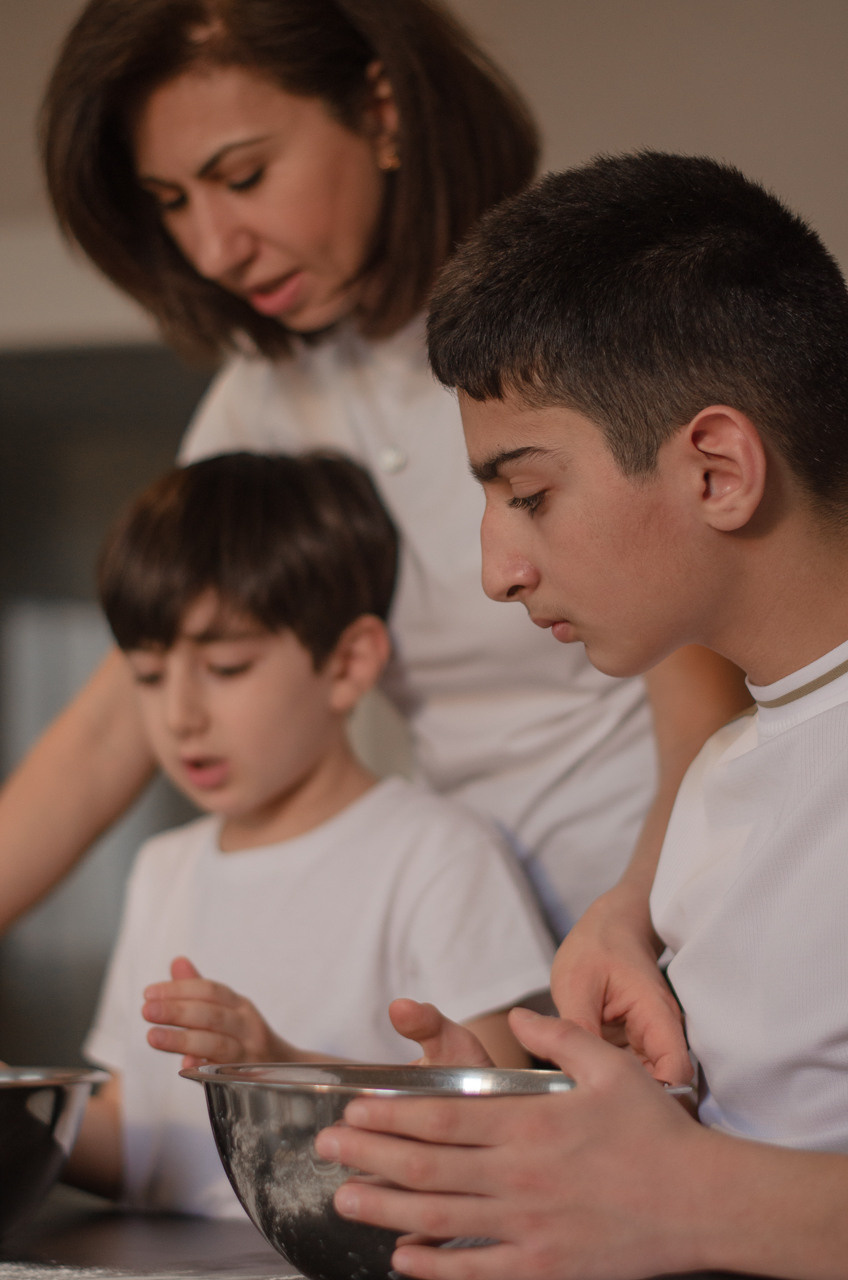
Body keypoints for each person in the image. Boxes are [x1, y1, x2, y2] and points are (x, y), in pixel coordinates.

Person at [0, 0, 748, 946]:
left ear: (383, 112)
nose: (214, 246)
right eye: (173, 201)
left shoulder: (579, 320)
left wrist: (641, 914)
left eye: (244, 175)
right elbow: (117, 720)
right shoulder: (267, 404)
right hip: (473, 941)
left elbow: (704, 704)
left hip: (675, 912)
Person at [311, 152, 848, 1280]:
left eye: (528, 493)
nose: (496, 568)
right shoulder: (717, 784)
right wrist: (533, 1139)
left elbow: (701, 1193)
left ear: (715, 469)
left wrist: (685, 1193)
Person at [63, 449, 554, 1217]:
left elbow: (503, 1116)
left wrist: (279, 1068)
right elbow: (133, 1141)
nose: (180, 715)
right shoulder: (163, 868)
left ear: (349, 663)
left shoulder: (436, 854)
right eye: (149, 676)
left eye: (226, 667)